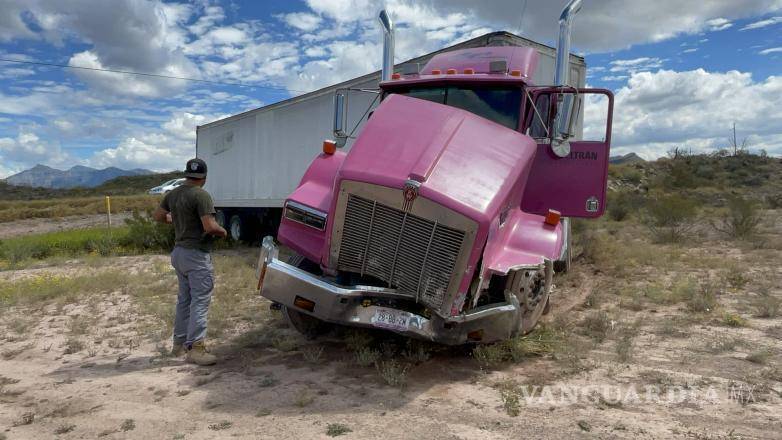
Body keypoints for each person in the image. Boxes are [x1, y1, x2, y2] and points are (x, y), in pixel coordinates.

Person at [153, 158, 227, 365]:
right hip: (196, 254)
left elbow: (158, 216)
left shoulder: (173, 194)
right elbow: (209, 226)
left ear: (186, 175)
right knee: (200, 301)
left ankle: (178, 345)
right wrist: (223, 231)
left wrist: (175, 220)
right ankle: (196, 348)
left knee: (184, 300)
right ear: (204, 177)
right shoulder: (201, 195)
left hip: (179, 253)